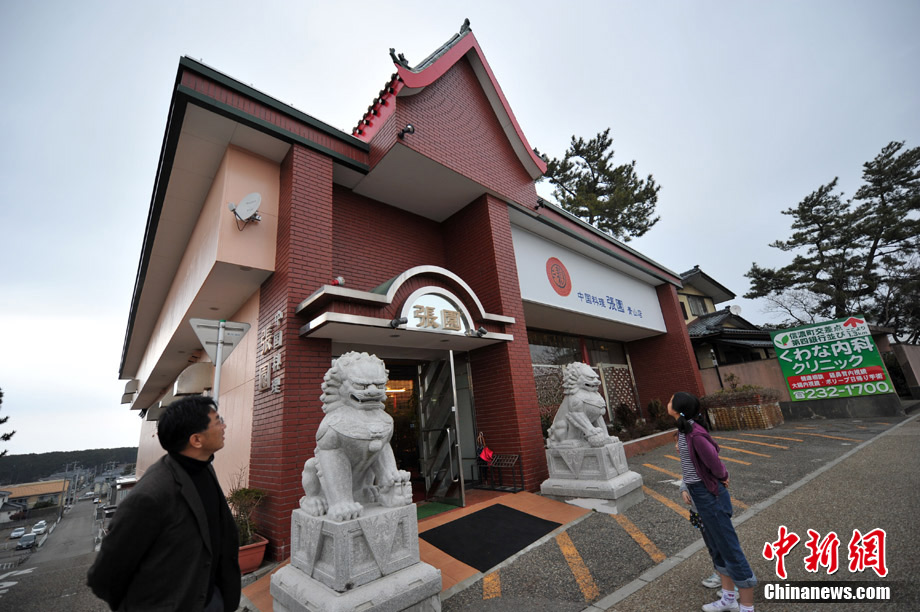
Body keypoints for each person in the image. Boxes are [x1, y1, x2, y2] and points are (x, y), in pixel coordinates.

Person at [87, 395, 241, 611]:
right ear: (196, 440)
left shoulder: (204, 467)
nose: (224, 426)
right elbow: (104, 576)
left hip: (211, 599)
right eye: (218, 421)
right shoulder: (150, 496)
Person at [669, 391, 757, 612]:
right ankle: (728, 598)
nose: (667, 402)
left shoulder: (695, 435)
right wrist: (684, 486)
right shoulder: (682, 430)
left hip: (710, 496)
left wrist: (723, 476)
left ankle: (747, 605)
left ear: (678, 409)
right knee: (716, 546)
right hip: (698, 494)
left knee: (728, 547)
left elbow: (714, 463)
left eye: (670, 400)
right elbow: (690, 467)